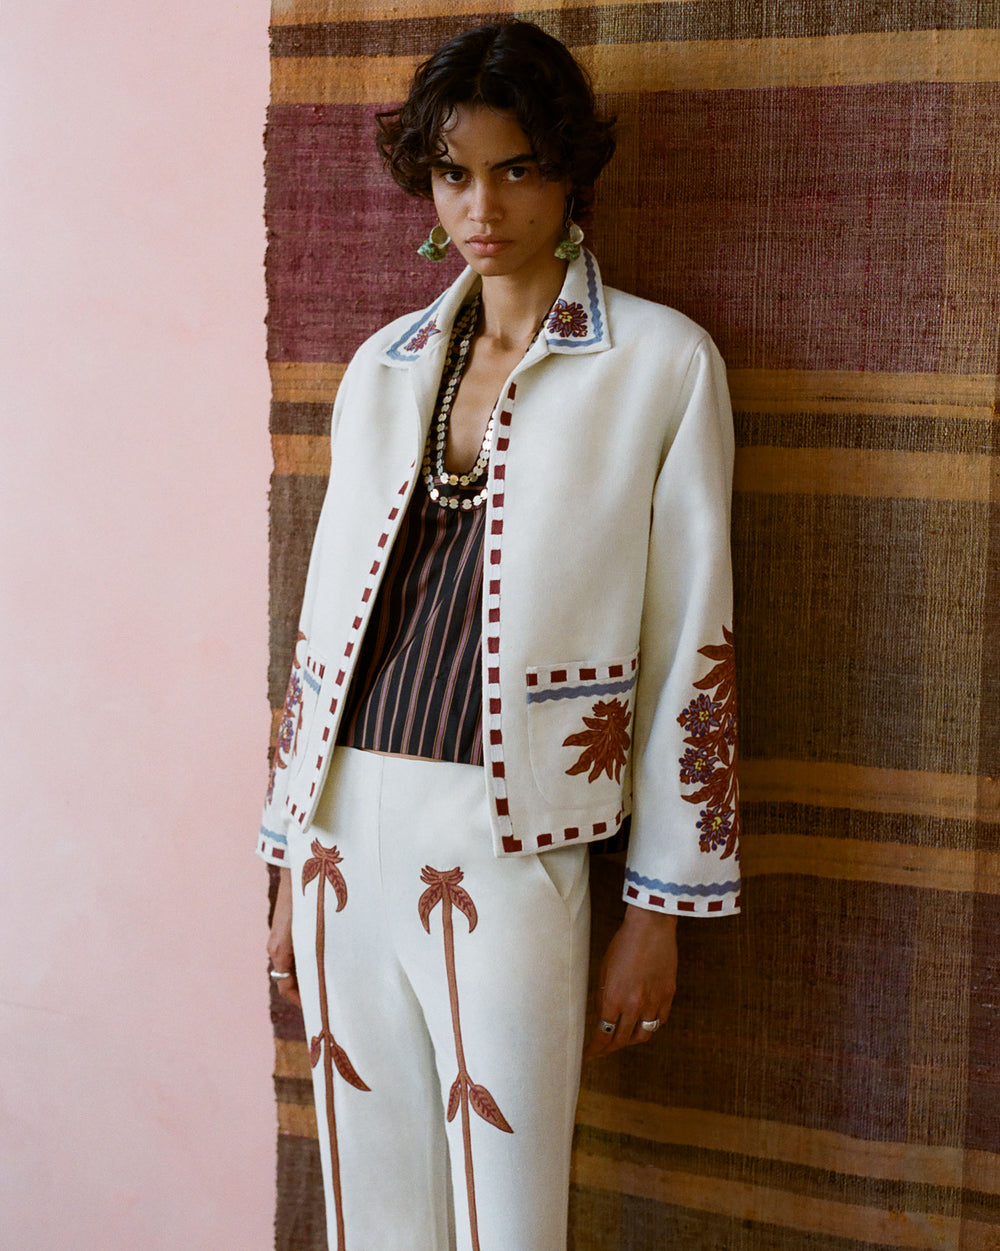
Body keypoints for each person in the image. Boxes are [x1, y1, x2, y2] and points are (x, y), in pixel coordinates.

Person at [261, 20, 740, 1251]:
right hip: (341, 831)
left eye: (516, 168)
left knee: (508, 1213)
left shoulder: (660, 364)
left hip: (515, 833)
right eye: (454, 172)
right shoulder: (384, 364)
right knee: (370, 1202)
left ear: (570, 170)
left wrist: (659, 909)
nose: (484, 205)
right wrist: (284, 855)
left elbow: (696, 637)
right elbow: (325, 614)